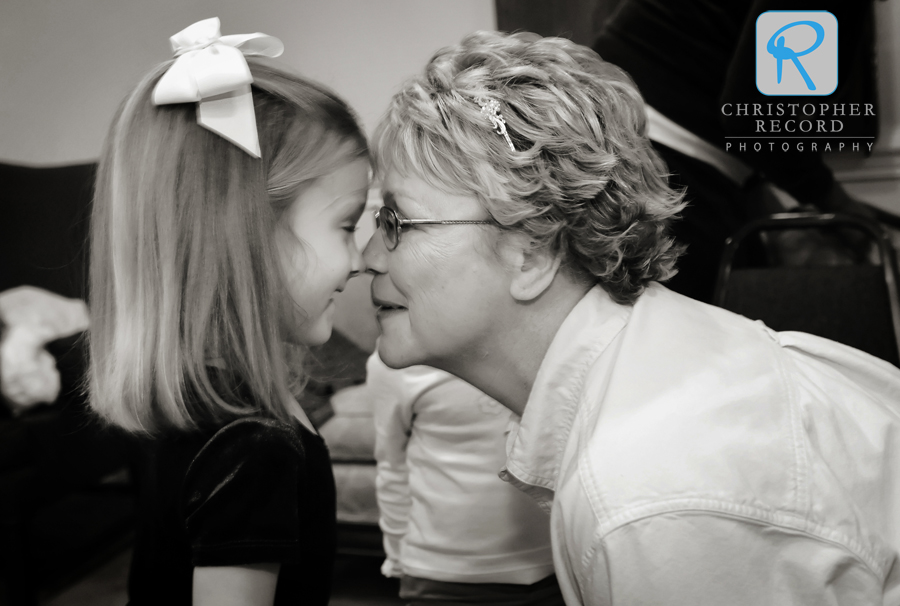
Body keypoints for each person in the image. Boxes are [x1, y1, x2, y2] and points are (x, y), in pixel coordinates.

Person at [363, 30, 900, 605]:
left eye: (396, 222)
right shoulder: (660, 371)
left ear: (533, 253)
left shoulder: (647, 500)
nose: (365, 256)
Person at [87, 18, 368, 606]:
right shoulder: (252, 447)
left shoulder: (205, 404)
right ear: (248, 239)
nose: (359, 260)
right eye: (346, 226)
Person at [367, 349, 563, 605]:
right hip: (442, 576)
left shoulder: (551, 350)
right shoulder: (397, 361)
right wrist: (397, 557)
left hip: (555, 568)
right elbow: (391, 466)